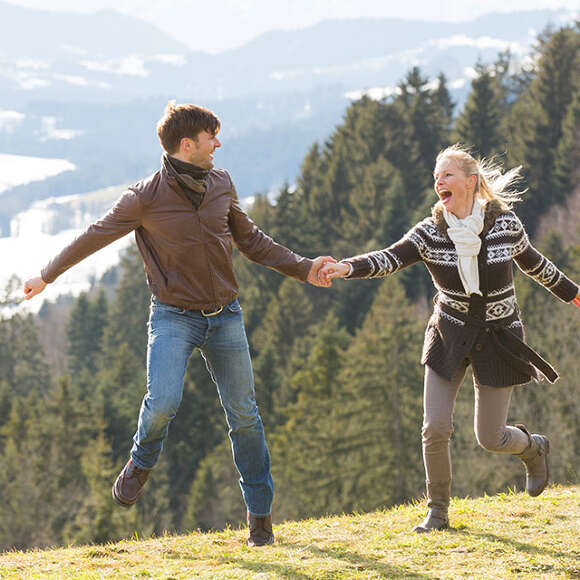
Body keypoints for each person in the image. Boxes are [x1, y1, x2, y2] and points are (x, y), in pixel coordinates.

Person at [24, 101, 335, 547]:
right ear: (187, 144)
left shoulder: (221, 183)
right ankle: (140, 460)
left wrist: (305, 267)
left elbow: (251, 240)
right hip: (173, 317)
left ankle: (260, 519)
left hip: (225, 315)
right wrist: (47, 275)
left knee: (244, 415)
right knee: (164, 400)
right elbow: (94, 234)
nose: (219, 144)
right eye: (212, 137)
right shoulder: (143, 198)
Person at [319, 144, 580, 533]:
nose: (439, 182)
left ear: (471, 182)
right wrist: (346, 267)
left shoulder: (506, 226)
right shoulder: (429, 233)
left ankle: (532, 446)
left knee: (490, 437)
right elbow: (389, 258)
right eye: (436, 177)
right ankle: (437, 511)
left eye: (447, 175)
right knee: (435, 426)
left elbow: (537, 265)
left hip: (499, 337)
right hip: (449, 334)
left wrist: (575, 294)